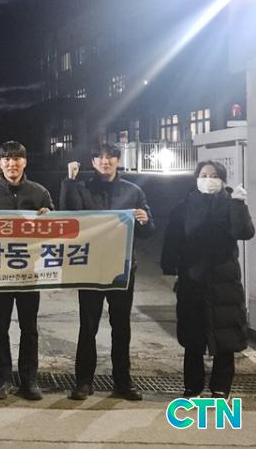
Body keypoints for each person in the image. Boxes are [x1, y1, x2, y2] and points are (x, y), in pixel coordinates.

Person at [59, 143, 154, 401]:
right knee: (88, 326)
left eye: (110, 157)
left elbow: (147, 231)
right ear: (93, 162)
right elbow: (67, 215)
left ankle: (123, 382)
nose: (105, 161)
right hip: (90, 267)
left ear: (118, 160)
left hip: (121, 269)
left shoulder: (133, 191)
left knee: (121, 326)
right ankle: (83, 381)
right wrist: (69, 182)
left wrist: (144, 220)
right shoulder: (81, 188)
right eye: (100, 157)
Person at [160, 161, 254, 399]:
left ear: (222, 180)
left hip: (224, 280)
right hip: (193, 280)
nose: (208, 179)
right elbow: (172, 239)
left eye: (213, 175)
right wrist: (169, 267)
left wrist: (239, 205)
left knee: (225, 336)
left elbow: (244, 232)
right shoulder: (184, 206)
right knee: (193, 337)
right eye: (203, 175)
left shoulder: (231, 203)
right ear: (196, 178)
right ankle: (192, 386)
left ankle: (221, 387)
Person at [0, 141, 54, 401]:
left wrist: (49, 216)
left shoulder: (39, 192)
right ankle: (2, 379)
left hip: (29, 271)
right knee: (0, 327)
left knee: (29, 328)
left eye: (16, 158)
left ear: (25, 162)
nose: (11, 164)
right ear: (0, 163)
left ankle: (29, 380)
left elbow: (56, 227)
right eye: (6, 159)